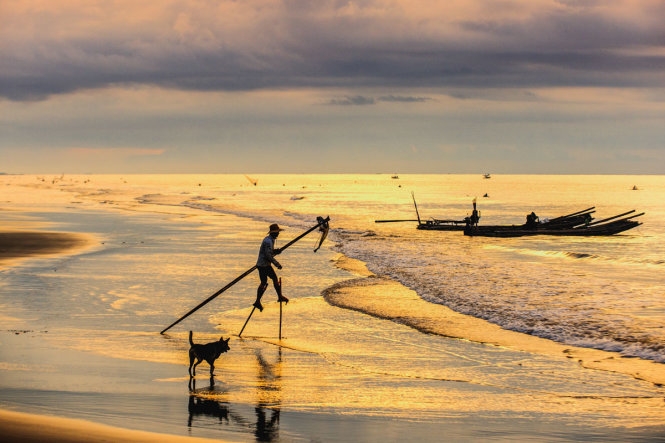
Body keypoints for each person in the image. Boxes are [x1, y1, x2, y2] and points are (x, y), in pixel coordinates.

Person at [253, 223, 289, 312]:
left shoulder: (270, 240)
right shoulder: (268, 241)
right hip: (264, 265)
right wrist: (277, 264)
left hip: (261, 264)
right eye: (277, 232)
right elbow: (268, 256)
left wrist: (276, 251)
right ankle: (279, 296)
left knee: (264, 282)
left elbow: (269, 252)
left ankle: (257, 301)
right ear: (273, 233)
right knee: (274, 278)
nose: (278, 234)